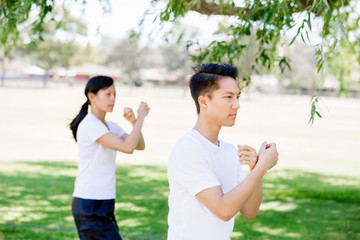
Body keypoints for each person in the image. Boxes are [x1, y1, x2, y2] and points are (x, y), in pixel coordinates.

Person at [167, 63, 279, 240]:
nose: (237, 105)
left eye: (237, 97)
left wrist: (255, 169)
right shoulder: (188, 149)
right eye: (228, 97)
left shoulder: (228, 150)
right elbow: (223, 210)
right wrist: (262, 167)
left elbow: (249, 212)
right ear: (203, 101)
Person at [69, 76, 150, 240]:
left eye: (114, 94)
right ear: (92, 97)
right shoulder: (90, 124)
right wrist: (141, 117)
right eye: (108, 94)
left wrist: (135, 122)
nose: (113, 99)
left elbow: (139, 145)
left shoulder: (110, 126)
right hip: (90, 202)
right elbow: (127, 148)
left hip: (103, 201)